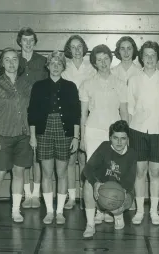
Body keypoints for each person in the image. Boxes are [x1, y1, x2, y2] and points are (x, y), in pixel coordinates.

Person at [28, 51, 80, 225]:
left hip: (64, 131)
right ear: (48, 66)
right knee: (47, 173)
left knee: (62, 173)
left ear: (63, 66)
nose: (56, 66)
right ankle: (49, 211)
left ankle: (59, 212)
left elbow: (76, 114)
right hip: (44, 131)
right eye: (53, 63)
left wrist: (75, 136)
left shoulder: (71, 86)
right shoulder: (38, 86)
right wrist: (33, 136)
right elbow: (33, 113)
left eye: (59, 63)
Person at [79, 44, 128, 224]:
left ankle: (113, 210)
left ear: (110, 59)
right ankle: (98, 211)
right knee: (95, 174)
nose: (103, 62)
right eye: (98, 60)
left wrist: (125, 137)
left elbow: (124, 112)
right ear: (94, 62)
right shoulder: (87, 84)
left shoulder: (121, 84)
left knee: (114, 172)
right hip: (93, 131)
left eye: (106, 58)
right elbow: (83, 114)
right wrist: (82, 138)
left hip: (114, 134)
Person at [0, 47, 33, 224]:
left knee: (19, 173)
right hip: (2, 135)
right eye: (7, 59)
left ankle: (16, 211)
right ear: (1, 63)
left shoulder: (25, 85)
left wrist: (32, 135)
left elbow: (31, 111)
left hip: (22, 135)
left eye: (14, 59)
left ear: (18, 63)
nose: (11, 63)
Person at [127, 41, 159, 225]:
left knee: (155, 171)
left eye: (153, 55)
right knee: (140, 172)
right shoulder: (134, 79)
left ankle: (153, 211)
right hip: (137, 130)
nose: (150, 58)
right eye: (146, 55)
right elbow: (129, 109)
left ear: (157, 57)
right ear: (141, 58)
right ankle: (139, 211)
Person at [82, 120, 137, 238]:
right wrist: (95, 183)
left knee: (116, 201)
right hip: (103, 189)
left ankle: (117, 215)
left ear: (128, 139)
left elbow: (130, 181)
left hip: (122, 191)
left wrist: (119, 194)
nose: (119, 142)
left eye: (123, 138)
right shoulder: (104, 147)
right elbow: (87, 169)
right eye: (115, 138)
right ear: (110, 138)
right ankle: (90, 225)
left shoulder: (131, 153)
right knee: (88, 183)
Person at [62, 35, 96, 209]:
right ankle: (71, 197)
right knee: (69, 159)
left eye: (79, 46)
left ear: (84, 48)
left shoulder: (91, 68)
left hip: (86, 116)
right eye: (73, 47)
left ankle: (85, 197)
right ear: (69, 49)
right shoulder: (64, 68)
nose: (76, 50)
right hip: (68, 117)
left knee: (84, 159)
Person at [16, 27, 48, 209]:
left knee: (37, 157)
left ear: (35, 42)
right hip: (18, 115)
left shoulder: (43, 61)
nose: (28, 43)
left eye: (31, 40)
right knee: (23, 156)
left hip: (38, 115)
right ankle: (26, 195)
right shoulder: (13, 60)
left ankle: (36, 195)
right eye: (24, 40)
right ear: (19, 41)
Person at [111, 36, 141, 211]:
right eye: (122, 48)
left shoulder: (140, 71)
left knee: (132, 164)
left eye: (129, 48)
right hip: (117, 123)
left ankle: (130, 199)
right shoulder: (113, 72)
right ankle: (116, 197)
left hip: (137, 122)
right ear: (118, 51)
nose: (126, 52)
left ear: (134, 50)